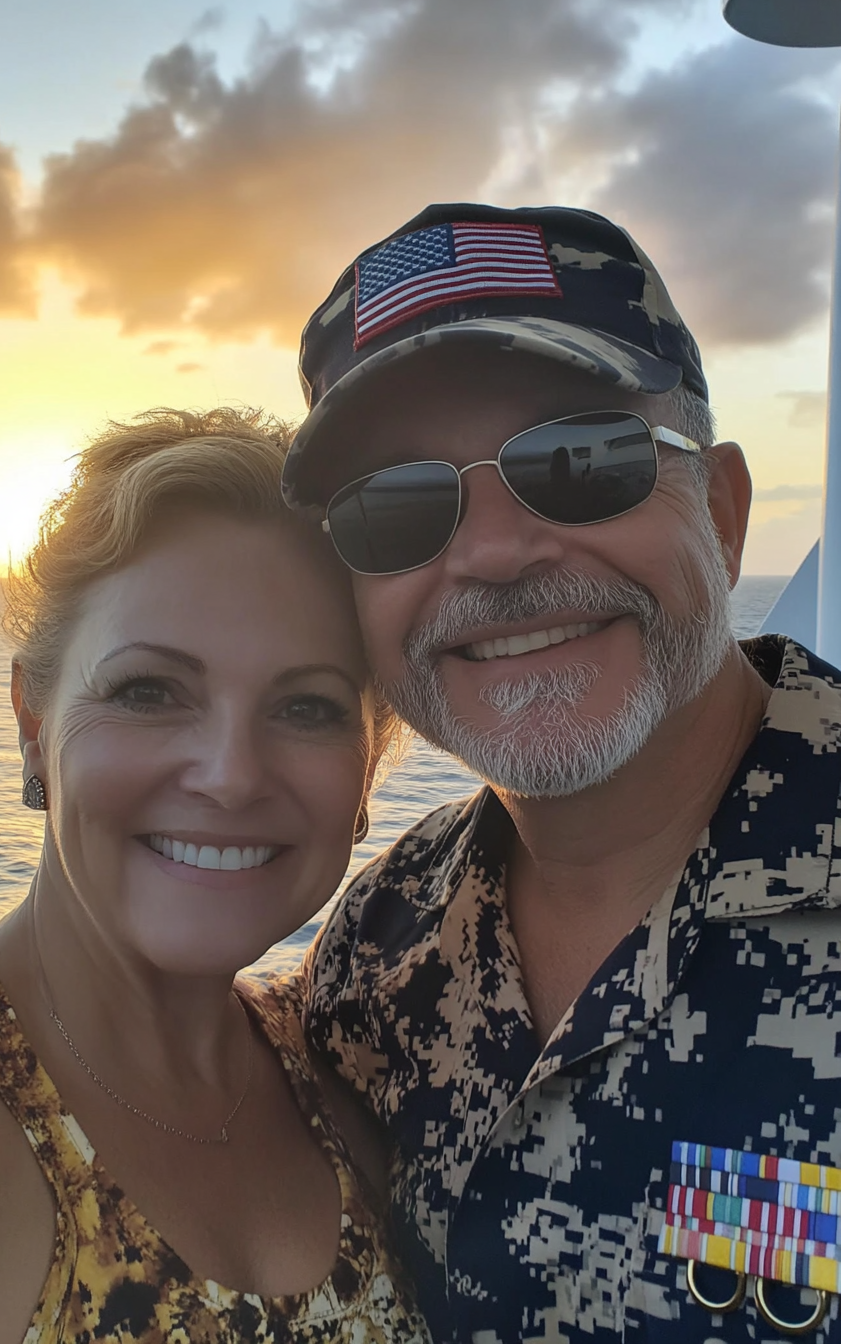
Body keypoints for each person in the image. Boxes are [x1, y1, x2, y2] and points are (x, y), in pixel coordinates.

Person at [281, 203, 841, 1343]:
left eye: (578, 460)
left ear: (722, 514)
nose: (491, 552)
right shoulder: (370, 956)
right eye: (397, 505)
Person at [0, 407, 431, 1344]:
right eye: (148, 691)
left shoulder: (341, 1077)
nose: (232, 774)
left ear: (369, 766)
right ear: (33, 722)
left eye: (306, 707)